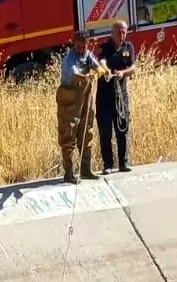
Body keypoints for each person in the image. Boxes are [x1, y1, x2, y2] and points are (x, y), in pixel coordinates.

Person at [57, 30, 101, 184]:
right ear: (73, 43)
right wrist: (87, 76)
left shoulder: (87, 54)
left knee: (86, 131)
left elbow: (96, 65)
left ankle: (86, 169)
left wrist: (102, 70)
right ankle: (69, 173)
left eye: (84, 47)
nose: (81, 50)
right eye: (79, 47)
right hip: (70, 100)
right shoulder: (69, 58)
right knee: (68, 133)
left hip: (85, 100)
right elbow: (74, 75)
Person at [97, 21, 137, 174]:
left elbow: (133, 67)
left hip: (121, 96)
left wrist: (123, 73)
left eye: (124, 32)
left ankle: (123, 163)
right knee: (105, 132)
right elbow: (101, 61)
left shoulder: (128, 48)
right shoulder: (105, 47)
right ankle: (108, 164)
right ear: (112, 33)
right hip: (105, 97)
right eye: (119, 32)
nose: (122, 35)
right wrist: (107, 70)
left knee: (123, 128)